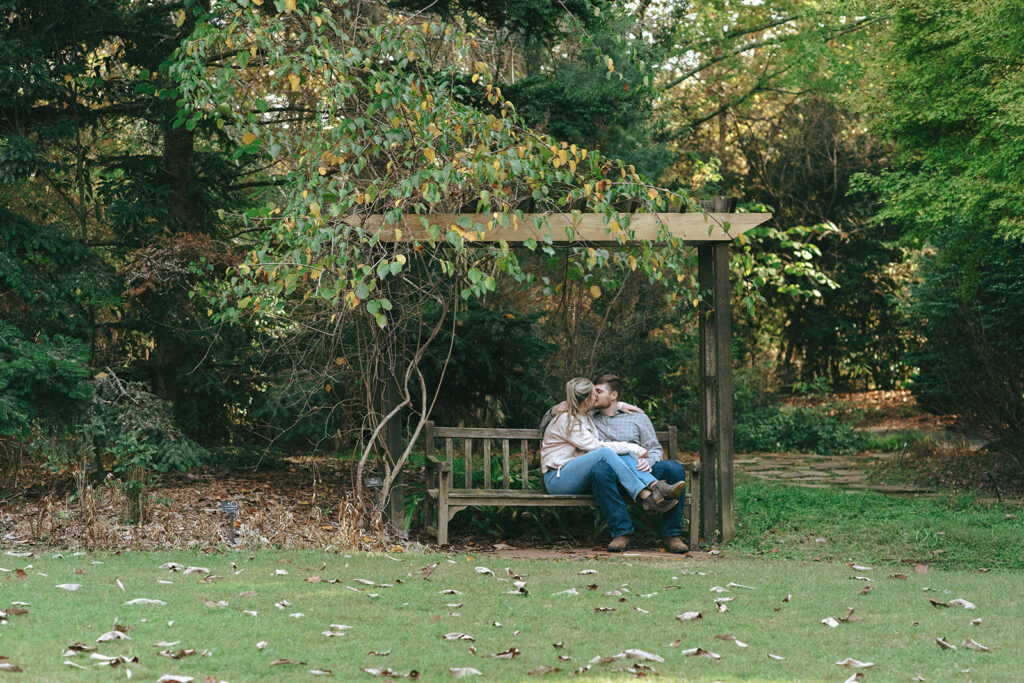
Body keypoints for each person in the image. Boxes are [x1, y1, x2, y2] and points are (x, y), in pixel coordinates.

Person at [540, 378, 686, 515]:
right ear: (586, 401)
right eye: (594, 394)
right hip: (558, 480)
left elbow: (607, 404)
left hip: (573, 473)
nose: (596, 397)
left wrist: (620, 405)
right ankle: (645, 495)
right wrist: (632, 447)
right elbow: (595, 446)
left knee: (618, 453)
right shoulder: (567, 419)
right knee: (605, 452)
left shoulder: (583, 413)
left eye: (598, 393)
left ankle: (656, 486)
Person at [588, 374, 689, 554]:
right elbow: (557, 414)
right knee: (599, 470)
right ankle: (621, 533)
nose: (593, 395)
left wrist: (648, 462)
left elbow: (655, 449)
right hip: (612, 474)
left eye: (598, 391)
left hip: (641, 469)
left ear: (614, 395)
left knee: (674, 468)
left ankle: (672, 535)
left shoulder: (638, 418)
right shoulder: (587, 417)